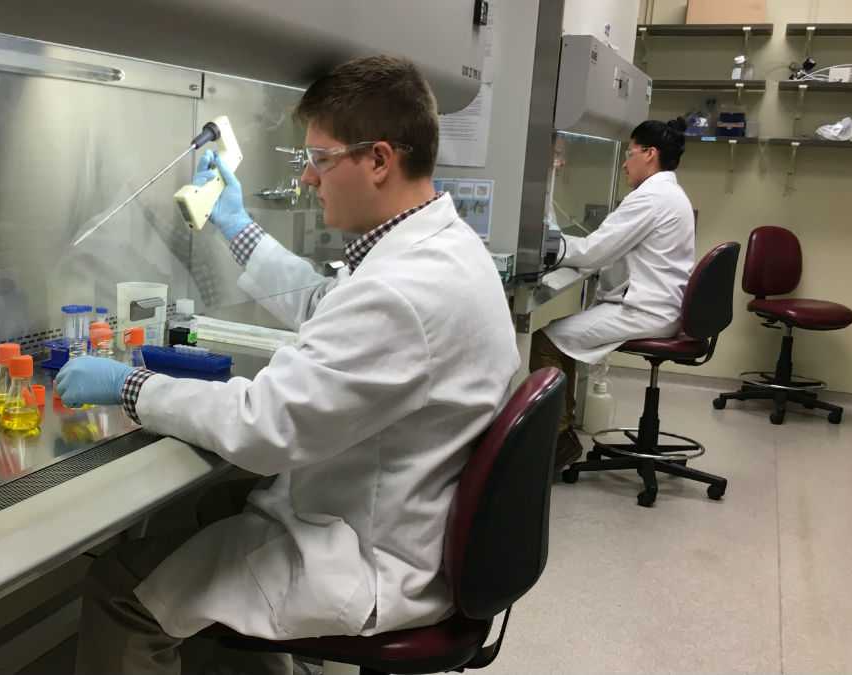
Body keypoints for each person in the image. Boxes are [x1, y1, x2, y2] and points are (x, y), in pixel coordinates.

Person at [55, 55, 520, 674]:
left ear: (379, 160)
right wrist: (238, 227)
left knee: (121, 596)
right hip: (397, 513)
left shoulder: (404, 290)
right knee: (198, 513)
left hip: (373, 555)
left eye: (321, 159)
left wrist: (130, 384)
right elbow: (329, 304)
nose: (307, 178)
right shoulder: (441, 248)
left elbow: (261, 429)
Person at [531, 117, 695, 469]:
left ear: (650, 154)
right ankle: (562, 429)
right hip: (660, 306)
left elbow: (595, 250)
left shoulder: (650, 198)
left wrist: (550, 248)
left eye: (630, 152)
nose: (624, 162)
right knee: (565, 337)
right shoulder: (671, 194)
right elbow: (610, 249)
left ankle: (556, 442)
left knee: (548, 340)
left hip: (646, 311)